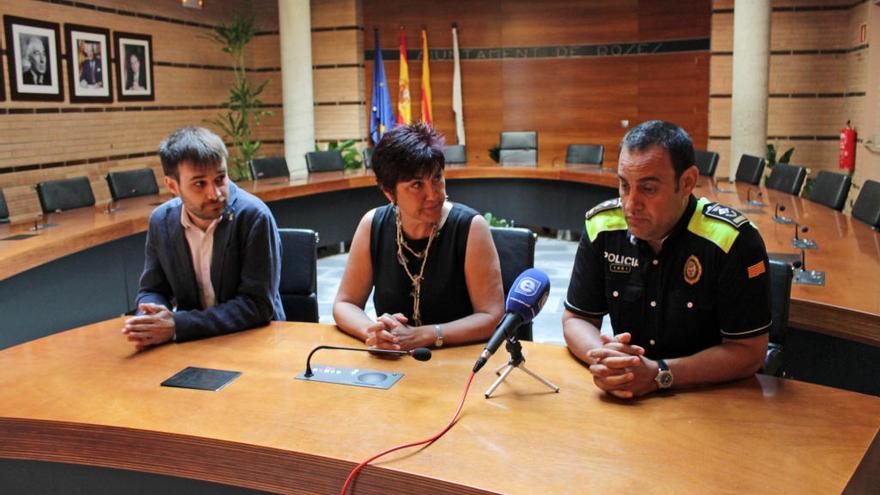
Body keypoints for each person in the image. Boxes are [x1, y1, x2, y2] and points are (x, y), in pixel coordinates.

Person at [563, 120, 771, 399]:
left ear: (686, 183)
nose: (630, 204)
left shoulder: (732, 241)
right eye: (624, 185)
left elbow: (750, 352)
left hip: (711, 400)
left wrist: (659, 374)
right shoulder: (602, 227)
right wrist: (607, 359)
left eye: (648, 189)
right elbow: (576, 318)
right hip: (629, 395)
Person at [333, 124, 504, 351]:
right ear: (389, 192)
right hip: (394, 359)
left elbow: (491, 316)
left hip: (457, 359)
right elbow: (345, 303)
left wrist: (427, 334)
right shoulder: (373, 225)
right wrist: (372, 332)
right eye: (416, 185)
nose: (433, 194)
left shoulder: (470, 228)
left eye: (437, 178)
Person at [122, 126, 285, 350]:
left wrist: (178, 325)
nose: (215, 193)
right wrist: (150, 319)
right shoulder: (161, 221)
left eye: (220, 178)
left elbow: (257, 306)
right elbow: (153, 289)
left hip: (254, 340)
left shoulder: (254, 217)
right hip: (195, 342)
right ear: (172, 186)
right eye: (200, 183)